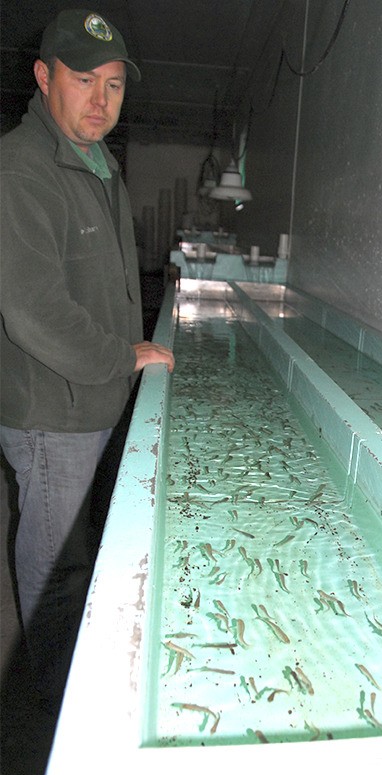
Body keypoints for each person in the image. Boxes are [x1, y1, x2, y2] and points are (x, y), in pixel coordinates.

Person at [0, 8, 175, 712]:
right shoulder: (22, 167)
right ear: (44, 79)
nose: (100, 101)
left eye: (114, 85)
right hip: (53, 416)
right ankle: (46, 721)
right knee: (56, 575)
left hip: (93, 403)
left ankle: (72, 681)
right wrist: (123, 354)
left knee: (82, 558)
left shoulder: (98, 166)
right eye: (83, 80)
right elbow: (33, 308)